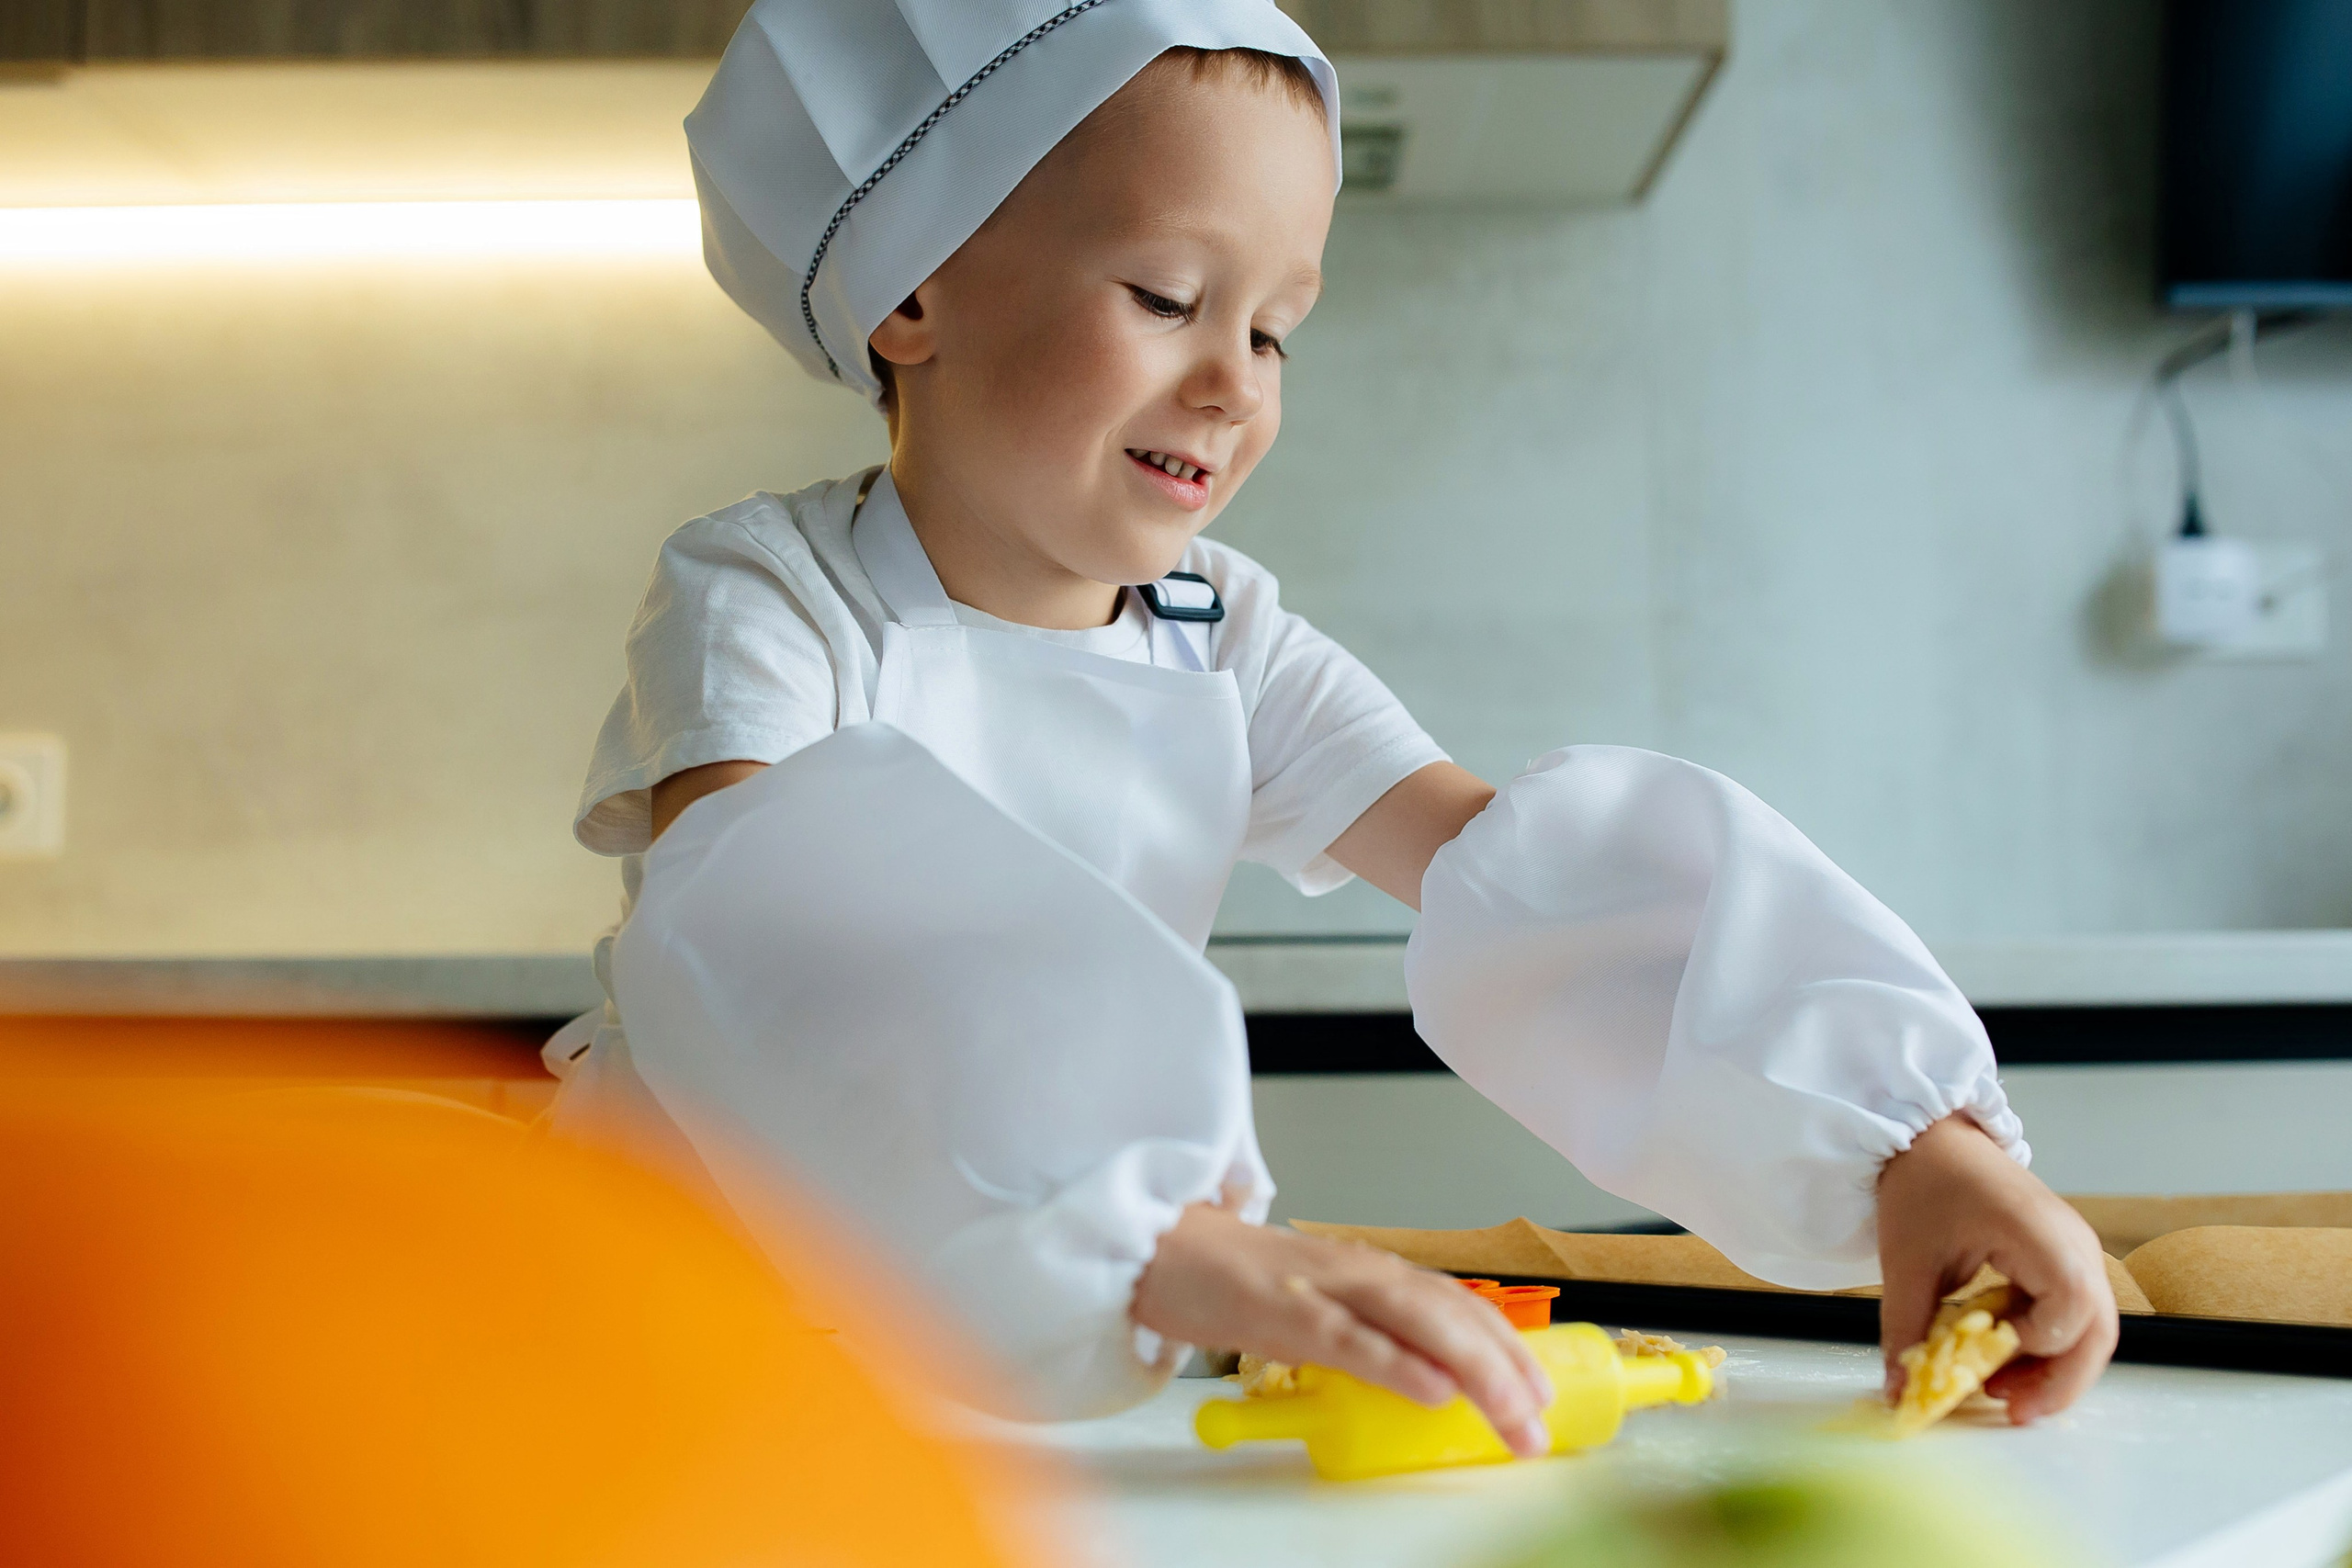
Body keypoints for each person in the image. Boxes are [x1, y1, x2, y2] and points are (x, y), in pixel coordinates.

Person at [546, 0, 2117, 1444]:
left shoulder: (1217, 636)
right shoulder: (767, 596)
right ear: (912, 292)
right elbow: (762, 928)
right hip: (672, 1326)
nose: (1234, 384)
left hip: (1018, 1358)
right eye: (1169, 297)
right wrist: (1138, 1238)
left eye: (1274, 329)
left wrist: (1915, 1148)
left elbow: (1523, 875)